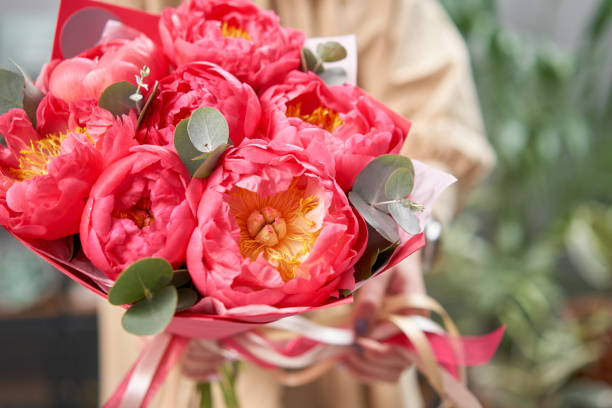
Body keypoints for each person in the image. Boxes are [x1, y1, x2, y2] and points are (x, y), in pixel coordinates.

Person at [97, 0, 496, 406]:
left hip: (340, 344)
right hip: (172, 353)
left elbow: (438, 114)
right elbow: (91, 109)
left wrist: (411, 235)